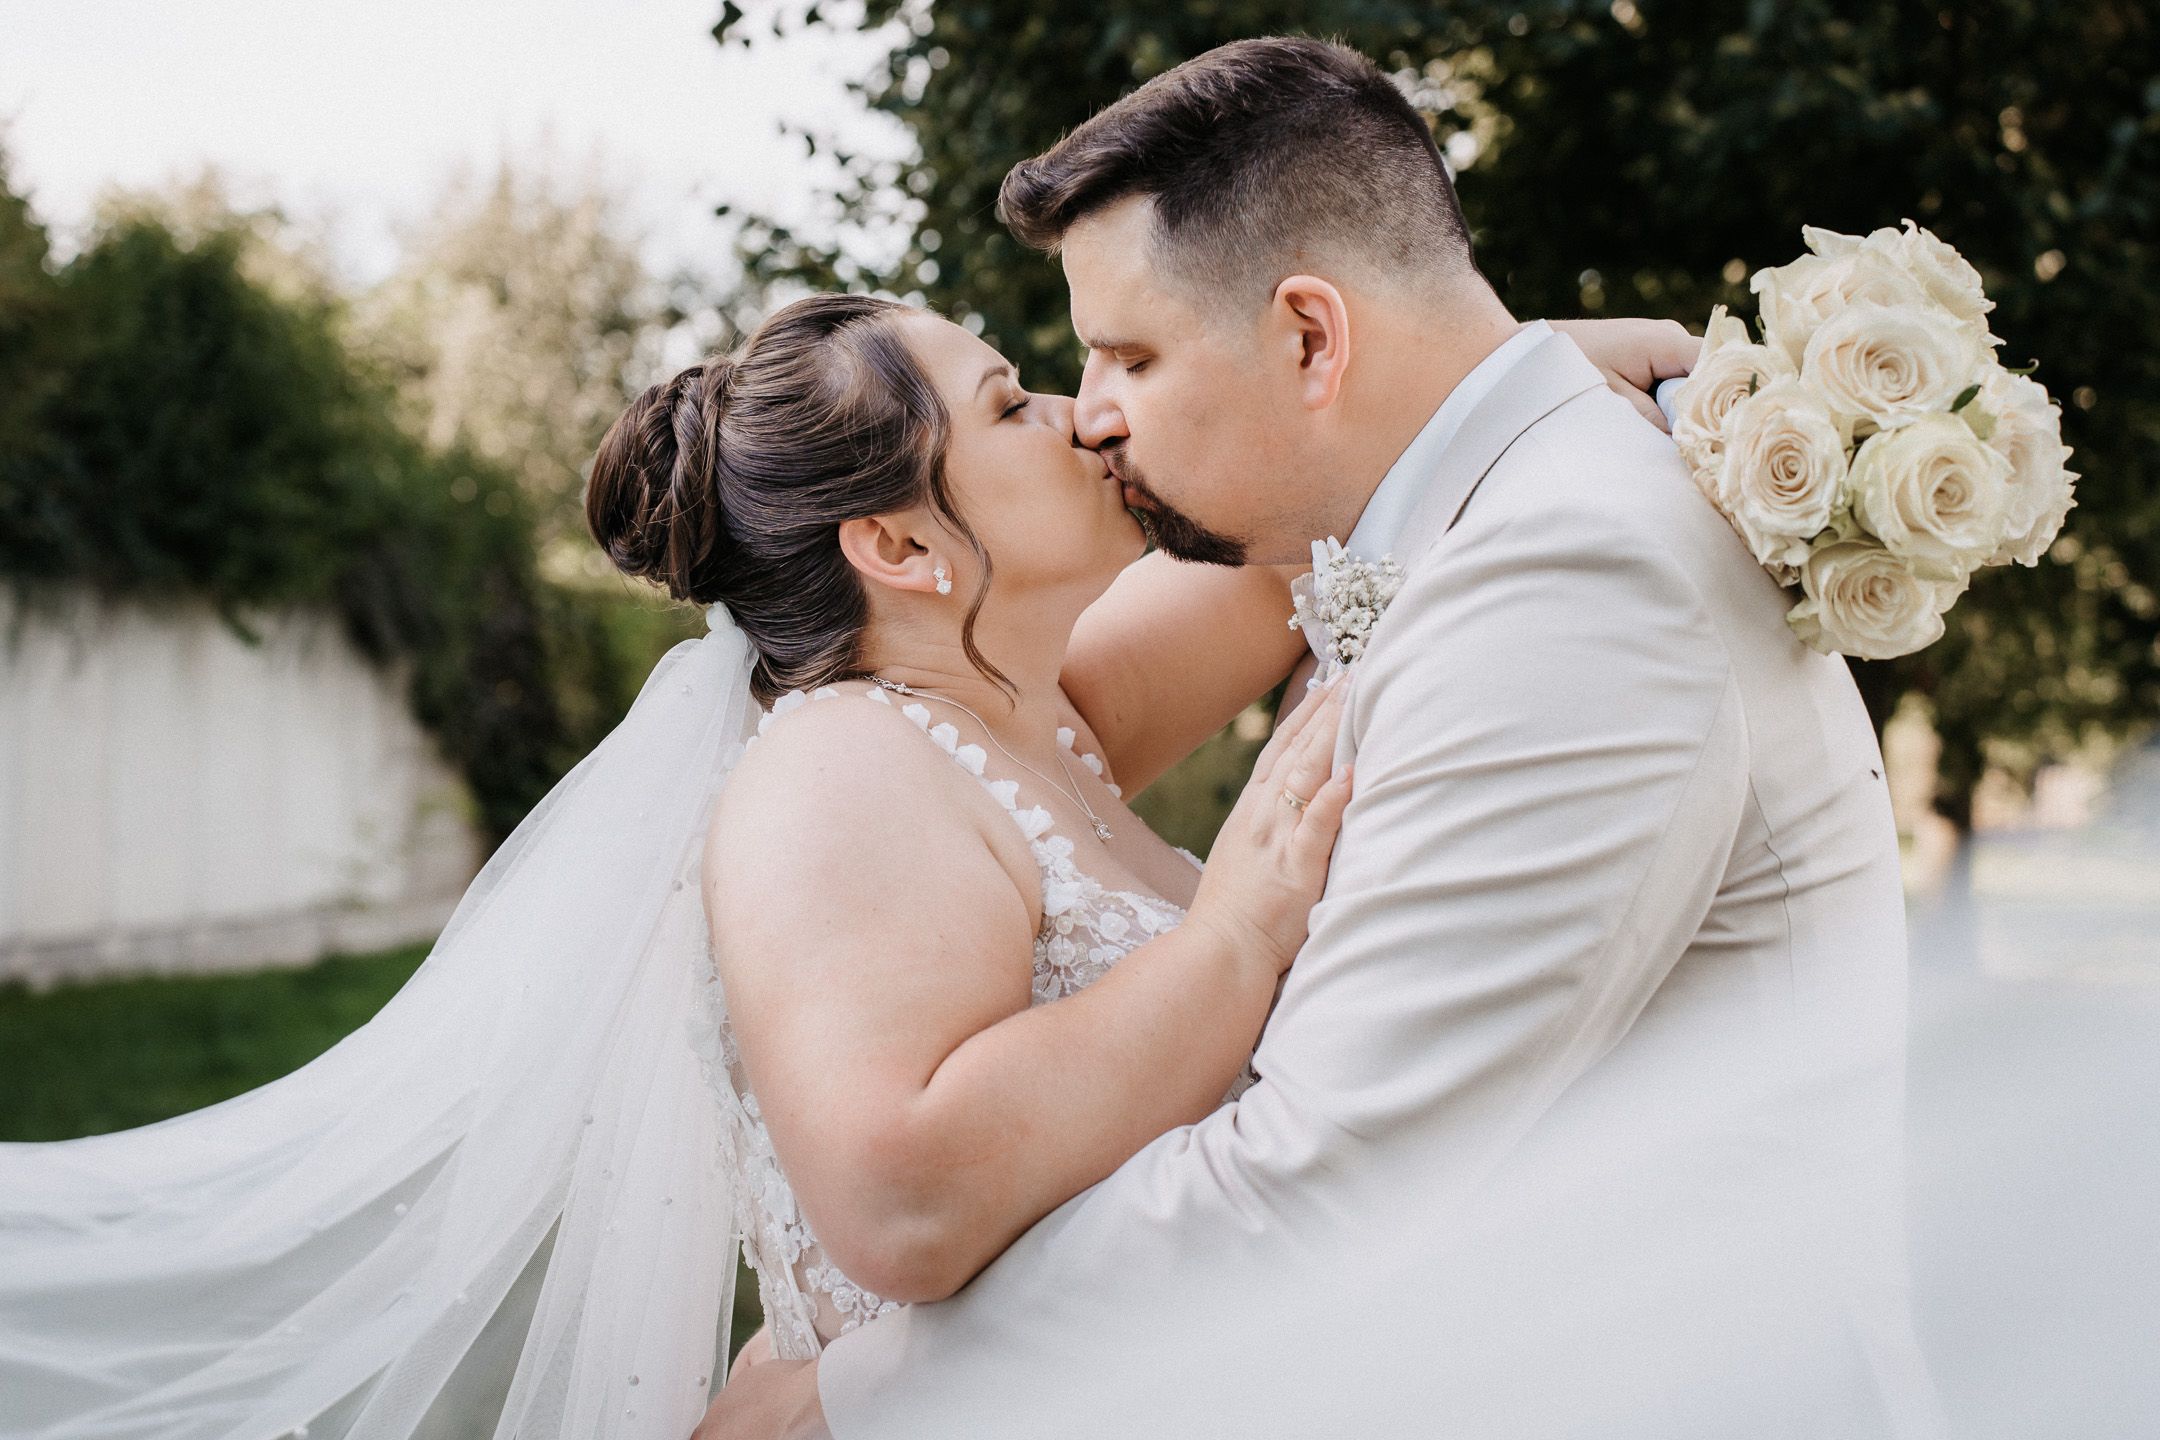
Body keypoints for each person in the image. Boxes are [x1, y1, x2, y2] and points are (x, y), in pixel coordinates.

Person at [0, 133, 1689, 1440]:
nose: (1086, 420)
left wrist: (1547, 366)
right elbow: (902, 1192)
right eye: (1011, 406)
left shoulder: (1040, 711)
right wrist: (1235, 936)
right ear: (899, 546)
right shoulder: (836, 775)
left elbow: (1328, 506)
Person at [700, 36, 1943, 1440]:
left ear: (1308, 337)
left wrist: (841, 1410)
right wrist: (1516, 366)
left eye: (1127, 355)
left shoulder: (1567, 577)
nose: (1090, 415)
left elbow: (1314, 1184)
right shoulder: (1497, 526)